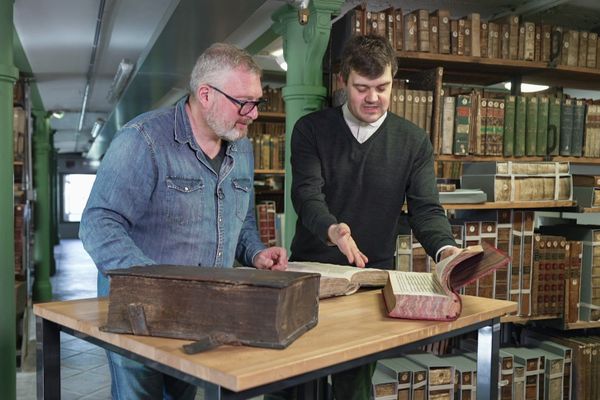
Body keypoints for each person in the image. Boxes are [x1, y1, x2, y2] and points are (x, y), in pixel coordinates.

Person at [80, 42, 287, 400]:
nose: (253, 114)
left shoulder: (241, 148)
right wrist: (157, 286)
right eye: (244, 102)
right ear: (205, 94)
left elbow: (241, 220)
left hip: (203, 315)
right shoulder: (142, 141)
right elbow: (99, 224)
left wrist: (255, 252)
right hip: (140, 317)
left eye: (258, 102)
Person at [289, 34, 461, 399]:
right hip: (311, 273)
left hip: (371, 279)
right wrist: (332, 229)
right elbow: (306, 195)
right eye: (361, 87)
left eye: (382, 87)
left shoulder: (413, 141)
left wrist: (446, 251)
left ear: (393, 82)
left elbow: (426, 209)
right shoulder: (311, 130)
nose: (372, 98)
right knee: (295, 380)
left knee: (354, 384)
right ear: (343, 82)